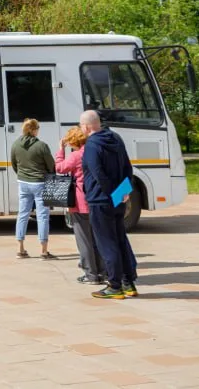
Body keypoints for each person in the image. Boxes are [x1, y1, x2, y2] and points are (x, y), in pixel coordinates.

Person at [80, 109, 139, 299]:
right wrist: (121, 194)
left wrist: (110, 193)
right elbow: (127, 168)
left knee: (107, 242)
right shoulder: (116, 138)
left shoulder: (92, 145)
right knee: (120, 239)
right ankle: (128, 282)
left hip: (99, 200)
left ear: (87, 126)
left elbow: (98, 174)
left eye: (81, 125)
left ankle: (114, 286)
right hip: (117, 200)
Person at [55, 126, 105, 284]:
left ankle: (90, 275)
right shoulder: (93, 152)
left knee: (84, 240)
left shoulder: (76, 156)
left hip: (80, 203)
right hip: (96, 201)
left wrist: (60, 151)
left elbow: (60, 168)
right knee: (97, 239)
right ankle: (102, 272)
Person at [10, 117, 56, 259]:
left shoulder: (16, 144)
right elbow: (51, 165)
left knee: (22, 214)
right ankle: (43, 250)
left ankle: (20, 249)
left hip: (23, 183)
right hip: (40, 183)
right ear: (34, 130)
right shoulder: (42, 146)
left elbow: (14, 163)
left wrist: (22, 174)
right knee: (42, 216)